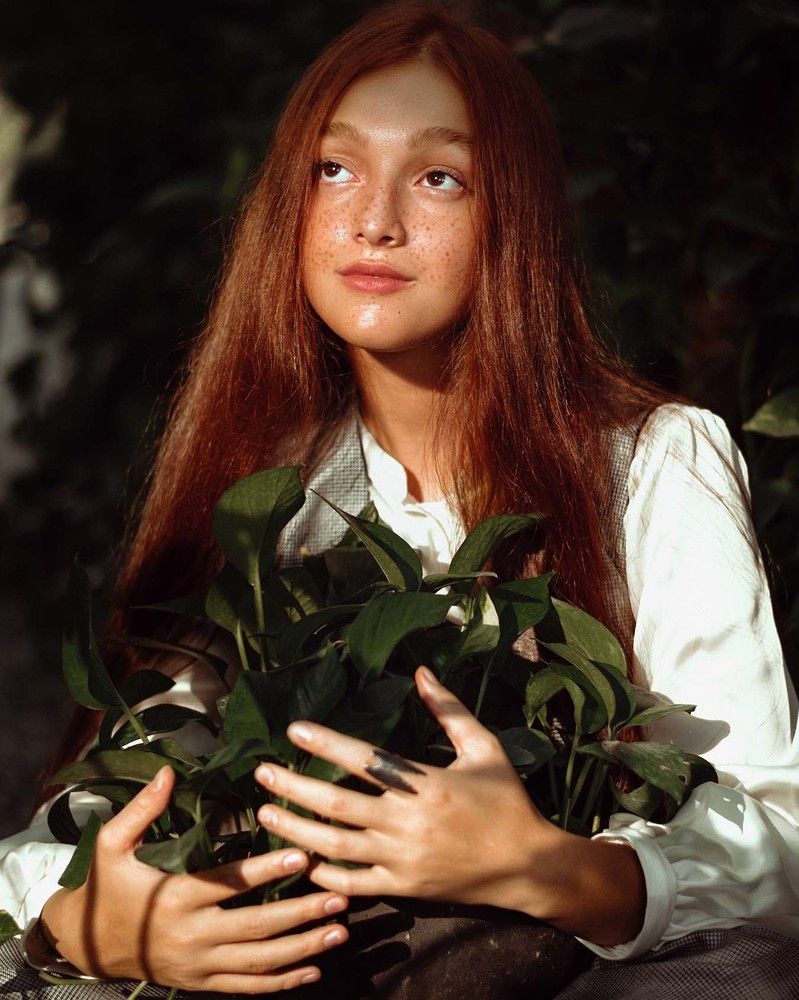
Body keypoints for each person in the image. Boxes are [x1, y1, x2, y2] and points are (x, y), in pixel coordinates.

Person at [2, 2, 798, 996]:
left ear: (515, 217)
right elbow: (81, 822)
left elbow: (778, 839)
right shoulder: (268, 494)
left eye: (438, 177)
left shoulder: (650, 462)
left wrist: (550, 869)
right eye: (333, 169)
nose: (373, 219)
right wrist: (86, 922)